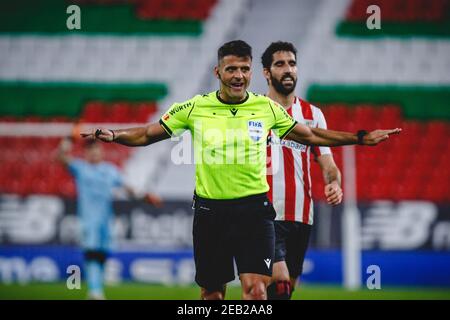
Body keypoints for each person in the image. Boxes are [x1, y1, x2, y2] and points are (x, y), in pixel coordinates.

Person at [81, 40, 401, 300]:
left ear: (252, 73)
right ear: (217, 71)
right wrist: (115, 135)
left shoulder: (266, 108)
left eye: (244, 69)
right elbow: (149, 133)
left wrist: (360, 138)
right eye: (231, 68)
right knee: (211, 294)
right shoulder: (195, 107)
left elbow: (311, 135)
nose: (238, 75)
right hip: (210, 212)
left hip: (254, 211)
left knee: (258, 290)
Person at [261, 41, 342, 300]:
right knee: (280, 281)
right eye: (280, 64)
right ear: (266, 72)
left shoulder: (313, 114)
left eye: (292, 63)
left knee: (284, 289)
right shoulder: (251, 111)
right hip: (263, 213)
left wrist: (334, 183)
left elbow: (328, 164)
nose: (288, 70)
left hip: (301, 216)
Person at [57, 137, 162, 299]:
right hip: (87, 220)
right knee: (91, 253)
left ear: (101, 151)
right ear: (86, 153)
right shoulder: (80, 168)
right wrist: (67, 141)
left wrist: (144, 197)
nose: (94, 153)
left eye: (96, 149)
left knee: (102, 254)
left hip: (105, 220)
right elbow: (61, 159)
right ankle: (95, 291)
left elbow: (128, 188)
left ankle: (96, 288)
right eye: (90, 150)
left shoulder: (109, 170)